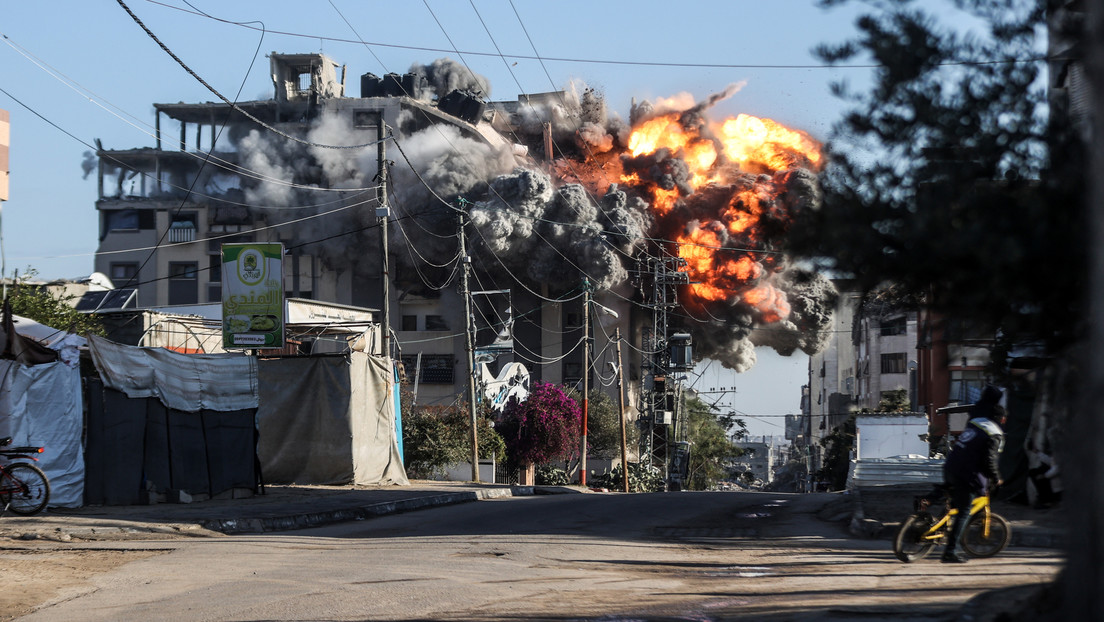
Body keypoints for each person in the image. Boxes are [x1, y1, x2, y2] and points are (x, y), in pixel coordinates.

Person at [941, 385, 1006, 563]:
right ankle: (950, 551)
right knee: (964, 511)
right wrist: (995, 478)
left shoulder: (976, 419)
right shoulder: (994, 434)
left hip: (951, 463)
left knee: (952, 498)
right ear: (1001, 420)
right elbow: (989, 460)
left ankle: (935, 525)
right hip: (967, 471)